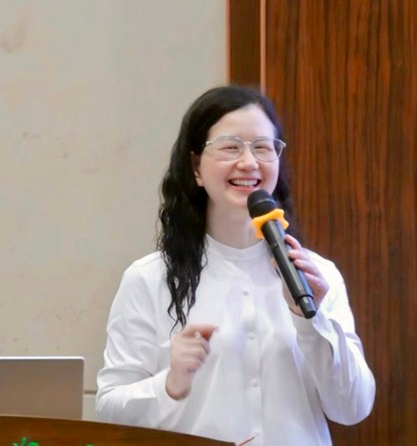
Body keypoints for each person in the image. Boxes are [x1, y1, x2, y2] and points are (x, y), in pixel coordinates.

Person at [95, 85, 375, 446]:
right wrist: (169, 384)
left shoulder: (316, 275)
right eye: (230, 147)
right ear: (196, 166)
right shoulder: (149, 279)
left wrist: (312, 319)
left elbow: (353, 408)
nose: (249, 162)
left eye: (262, 147)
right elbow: (110, 412)